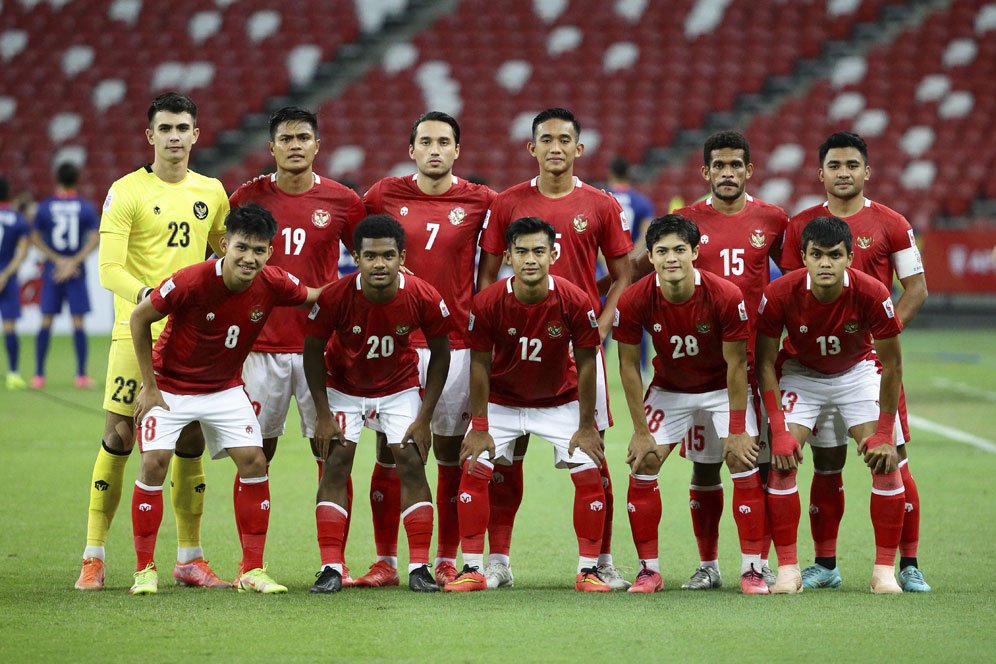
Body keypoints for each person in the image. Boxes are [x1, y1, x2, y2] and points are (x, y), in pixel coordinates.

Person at [600, 130, 788, 588]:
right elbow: (636, 270)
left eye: (735, 165)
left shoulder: (774, 219)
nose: (727, 173)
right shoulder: (680, 222)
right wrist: (600, 304)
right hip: (678, 378)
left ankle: (756, 566)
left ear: (749, 170)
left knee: (752, 460)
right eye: (718, 166)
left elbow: (798, 277)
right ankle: (697, 567)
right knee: (698, 465)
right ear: (705, 171)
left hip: (742, 365)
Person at [75, 92, 230, 591]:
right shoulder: (125, 192)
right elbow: (108, 270)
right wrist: (154, 297)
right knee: (120, 437)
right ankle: (94, 556)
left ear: (196, 135)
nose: (175, 137)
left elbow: (224, 264)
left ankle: (190, 557)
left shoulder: (213, 191)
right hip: (135, 331)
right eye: (165, 129)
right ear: (151, 136)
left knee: (190, 438)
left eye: (183, 128)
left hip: (194, 338)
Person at [128, 203, 321, 594]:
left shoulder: (274, 281)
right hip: (170, 386)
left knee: (254, 460)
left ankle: (251, 570)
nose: (250, 258)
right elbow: (139, 317)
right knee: (153, 464)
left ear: (270, 250)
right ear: (224, 244)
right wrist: (149, 387)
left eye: (259, 250)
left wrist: (365, 282)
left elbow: (315, 296)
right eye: (242, 247)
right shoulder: (191, 280)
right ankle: (145, 569)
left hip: (224, 388)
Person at [477, 107, 633, 589]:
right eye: (546, 139)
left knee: (593, 453)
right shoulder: (506, 203)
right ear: (532, 148)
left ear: (579, 149)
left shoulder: (602, 205)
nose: (556, 148)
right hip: (515, 344)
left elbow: (625, 274)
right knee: (505, 455)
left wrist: (602, 325)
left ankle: (600, 560)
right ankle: (498, 561)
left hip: (576, 348)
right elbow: (486, 276)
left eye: (565, 140)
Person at [780, 131, 930, 592]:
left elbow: (917, 289)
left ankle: (907, 564)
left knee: (893, 459)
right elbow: (791, 293)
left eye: (851, 165)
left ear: (867, 171)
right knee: (826, 463)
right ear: (820, 172)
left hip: (870, 366)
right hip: (811, 369)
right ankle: (825, 564)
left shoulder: (893, 223)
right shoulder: (800, 224)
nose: (843, 173)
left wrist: (880, 336)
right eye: (834, 166)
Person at [357, 111, 496, 587]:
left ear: (457, 150)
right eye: (425, 141)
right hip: (394, 342)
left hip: (455, 343)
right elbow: (357, 248)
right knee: (391, 451)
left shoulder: (481, 201)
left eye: (444, 142)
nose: (434, 149)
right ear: (411, 148)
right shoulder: (383, 194)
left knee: (452, 455)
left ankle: (444, 557)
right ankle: (385, 561)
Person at [228, 107, 366, 580]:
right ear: (271, 148)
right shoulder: (247, 197)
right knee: (254, 455)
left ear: (317, 145)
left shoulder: (343, 200)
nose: (294, 145)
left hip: (318, 349)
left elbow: (368, 258)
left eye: (303, 137)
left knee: (331, 454)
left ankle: (335, 563)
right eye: (285, 138)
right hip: (260, 349)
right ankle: (251, 566)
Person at [444, 217, 609, 592]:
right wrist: (481, 424)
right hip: (503, 401)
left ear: (554, 254)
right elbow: (480, 365)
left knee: (589, 470)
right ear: (508, 257)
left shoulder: (573, 299)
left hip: (558, 401)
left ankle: (588, 571)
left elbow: (587, 363)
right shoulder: (487, 302)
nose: (530, 259)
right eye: (521, 252)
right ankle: (474, 568)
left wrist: (586, 425)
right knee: (473, 464)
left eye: (538, 251)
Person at [614, 214, 768, 594]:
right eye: (662, 251)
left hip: (722, 387)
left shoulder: (725, 295)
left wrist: (735, 429)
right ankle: (650, 570)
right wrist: (639, 431)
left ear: (696, 252)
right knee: (644, 460)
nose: (671, 258)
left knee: (741, 458)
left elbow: (737, 365)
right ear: (649, 257)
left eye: (680, 250)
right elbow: (628, 366)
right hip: (670, 389)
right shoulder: (634, 299)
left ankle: (753, 570)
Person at [757, 216, 906, 594]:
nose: (826, 263)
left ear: (849, 258)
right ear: (803, 257)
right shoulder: (779, 293)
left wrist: (885, 433)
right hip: (801, 375)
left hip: (857, 373)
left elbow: (893, 364)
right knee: (782, 462)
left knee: (886, 462)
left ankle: (884, 572)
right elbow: (763, 363)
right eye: (817, 255)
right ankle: (788, 570)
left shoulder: (873, 293)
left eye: (835, 255)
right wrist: (777, 429)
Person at [303, 214, 452, 594]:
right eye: (370, 256)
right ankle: (331, 568)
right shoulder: (336, 296)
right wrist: (322, 414)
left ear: (402, 256)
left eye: (388, 255)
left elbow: (441, 353)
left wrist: (424, 417)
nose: (379, 264)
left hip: (398, 387)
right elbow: (312, 352)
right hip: (344, 388)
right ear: (356, 256)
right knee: (336, 461)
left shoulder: (422, 295)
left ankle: (419, 567)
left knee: (410, 459)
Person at [30, 163, 101, 388]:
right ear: (77, 179)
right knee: (78, 322)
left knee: (46, 320)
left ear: (57, 178)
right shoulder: (85, 207)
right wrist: (73, 262)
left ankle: (39, 375)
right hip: (76, 271)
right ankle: (81, 375)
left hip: (53, 270)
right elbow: (95, 238)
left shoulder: (45, 207)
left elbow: (35, 238)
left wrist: (57, 260)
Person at [0, 176, 31, 390]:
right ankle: (13, 373)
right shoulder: (17, 219)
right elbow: (22, 253)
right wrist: (5, 274)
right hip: (7, 279)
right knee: (10, 326)